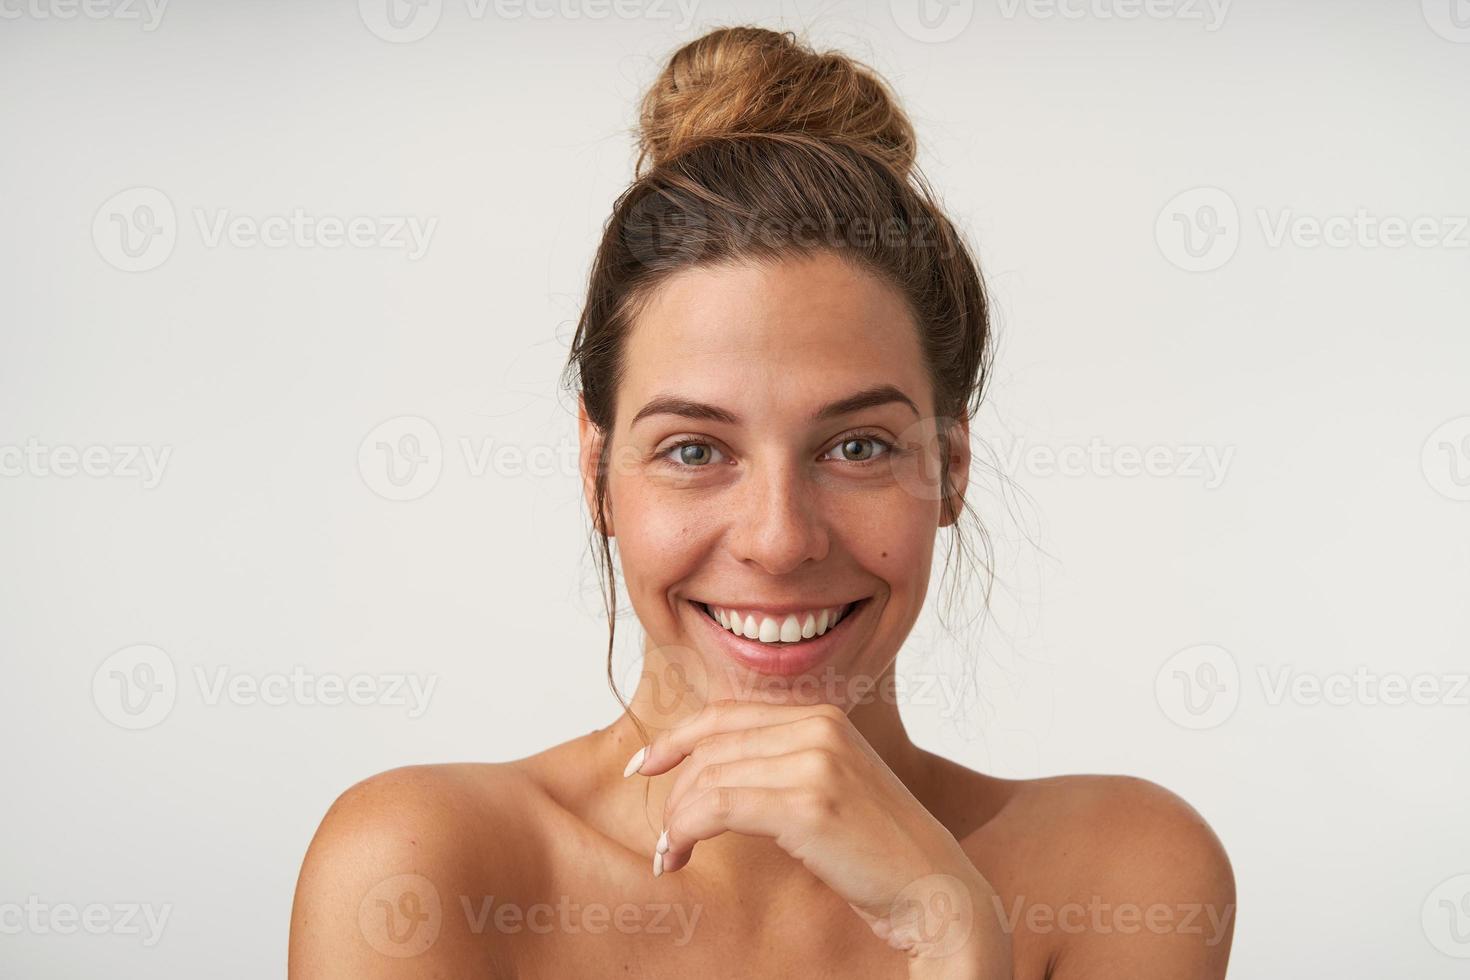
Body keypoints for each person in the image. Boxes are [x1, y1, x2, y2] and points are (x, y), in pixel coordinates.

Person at [289, 26, 1235, 978]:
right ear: (596, 473)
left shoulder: (1123, 873)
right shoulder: (422, 872)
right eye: (695, 450)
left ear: (951, 468)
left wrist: (952, 928)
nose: (780, 541)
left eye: (858, 447)